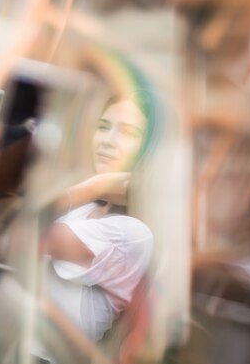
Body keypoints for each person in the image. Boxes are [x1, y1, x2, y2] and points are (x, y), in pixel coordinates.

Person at [42, 89, 157, 343]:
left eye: (127, 132)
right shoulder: (81, 209)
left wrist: (95, 186)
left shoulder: (134, 234)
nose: (108, 140)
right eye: (103, 127)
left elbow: (27, 231)